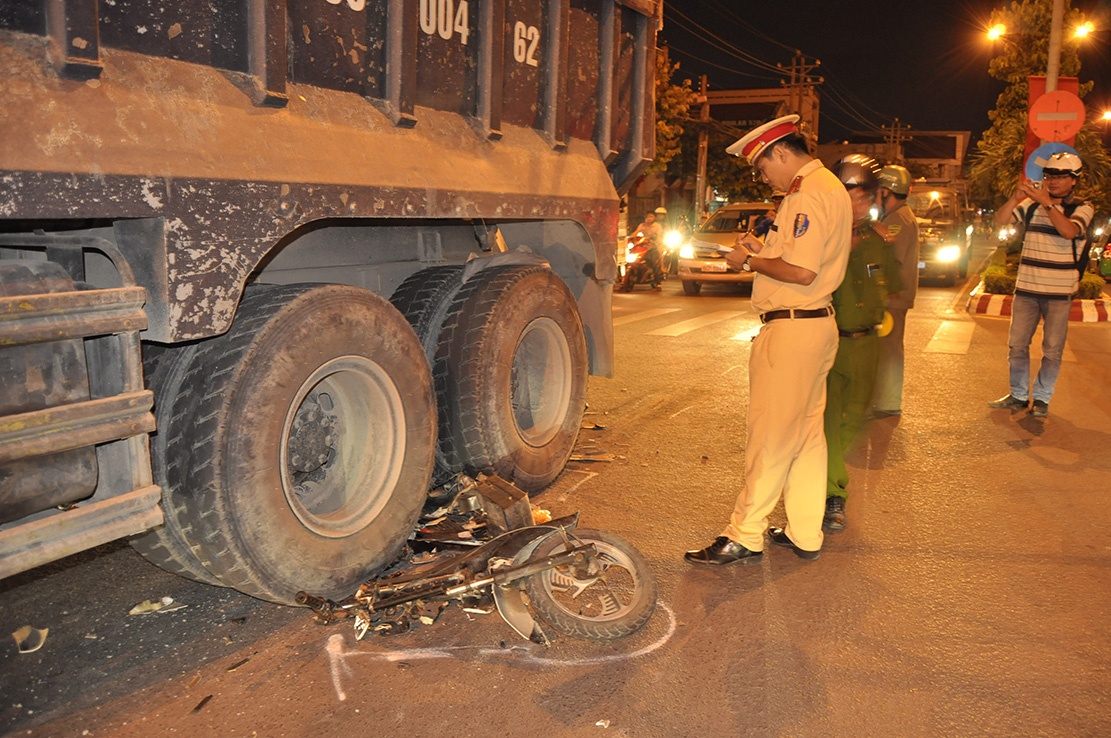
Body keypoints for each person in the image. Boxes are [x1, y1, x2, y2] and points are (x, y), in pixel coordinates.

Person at [684, 114, 852, 565]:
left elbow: (802, 271)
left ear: (780, 152)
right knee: (806, 436)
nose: (764, 178)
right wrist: (764, 251)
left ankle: (744, 534)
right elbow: (803, 258)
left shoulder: (805, 195)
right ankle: (805, 532)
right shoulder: (829, 187)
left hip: (793, 330)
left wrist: (749, 262)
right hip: (816, 324)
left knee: (771, 438)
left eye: (762, 168)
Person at [823, 156, 902, 532]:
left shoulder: (878, 241)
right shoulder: (822, 239)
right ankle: (832, 493)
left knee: (853, 420)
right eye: (849, 197)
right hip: (829, 343)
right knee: (826, 422)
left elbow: (893, 289)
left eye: (863, 198)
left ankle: (824, 479)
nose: (857, 205)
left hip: (867, 345)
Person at [988, 152, 1092, 418]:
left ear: (1074, 180)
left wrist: (1047, 203)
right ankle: (1018, 395)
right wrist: (1015, 198)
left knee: (1052, 350)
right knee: (1017, 345)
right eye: (1049, 175)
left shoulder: (1082, 208)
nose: (1053, 181)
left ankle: (1042, 398)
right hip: (1026, 289)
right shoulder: (1031, 206)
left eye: (1061, 176)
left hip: (1059, 293)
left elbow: (1069, 231)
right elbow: (1000, 221)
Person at [870, 164, 918, 417]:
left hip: (892, 297)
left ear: (886, 191)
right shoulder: (896, 216)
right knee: (887, 348)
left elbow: (891, 261)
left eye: (878, 190)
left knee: (888, 350)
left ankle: (887, 403)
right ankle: (885, 400)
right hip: (893, 296)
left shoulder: (897, 220)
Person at [633, 207, 666, 290]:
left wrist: (656, 242)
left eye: (651, 216)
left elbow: (659, 237)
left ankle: (658, 282)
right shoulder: (642, 225)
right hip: (643, 246)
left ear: (654, 218)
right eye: (648, 216)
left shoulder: (657, 226)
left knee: (655, 262)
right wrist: (629, 238)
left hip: (653, 246)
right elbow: (635, 233)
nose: (649, 218)